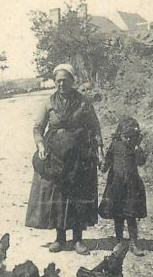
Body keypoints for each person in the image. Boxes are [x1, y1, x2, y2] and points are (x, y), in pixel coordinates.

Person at [25, 63, 103, 255]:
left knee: (78, 196)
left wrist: (99, 151)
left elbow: (95, 127)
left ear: (72, 81)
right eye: (58, 81)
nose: (61, 84)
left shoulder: (83, 102)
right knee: (58, 197)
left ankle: (78, 240)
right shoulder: (48, 103)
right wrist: (41, 146)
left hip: (80, 157)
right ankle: (60, 239)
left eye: (65, 81)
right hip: (56, 157)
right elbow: (38, 128)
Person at [98, 116, 147, 256]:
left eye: (132, 137)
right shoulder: (115, 145)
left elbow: (141, 162)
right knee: (118, 216)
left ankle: (134, 243)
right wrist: (102, 166)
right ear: (120, 134)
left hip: (132, 187)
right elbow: (107, 162)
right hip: (116, 185)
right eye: (126, 136)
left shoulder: (135, 147)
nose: (129, 140)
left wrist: (137, 148)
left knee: (131, 215)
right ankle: (119, 241)